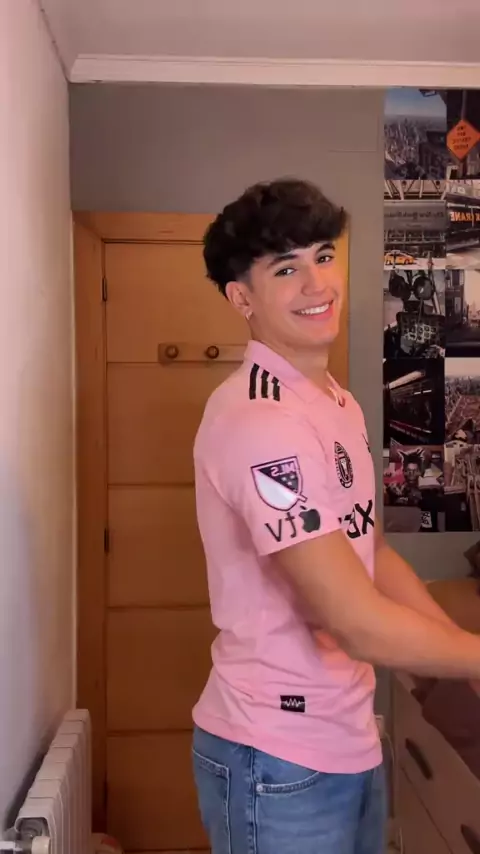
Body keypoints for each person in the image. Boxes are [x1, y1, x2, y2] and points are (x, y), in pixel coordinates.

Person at [191, 178, 480, 854]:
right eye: (285, 269)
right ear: (241, 298)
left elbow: (369, 551)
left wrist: (461, 661)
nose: (316, 283)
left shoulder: (334, 402)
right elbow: (352, 621)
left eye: (323, 256)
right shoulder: (260, 419)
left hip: (346, 733)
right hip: (276, 757)